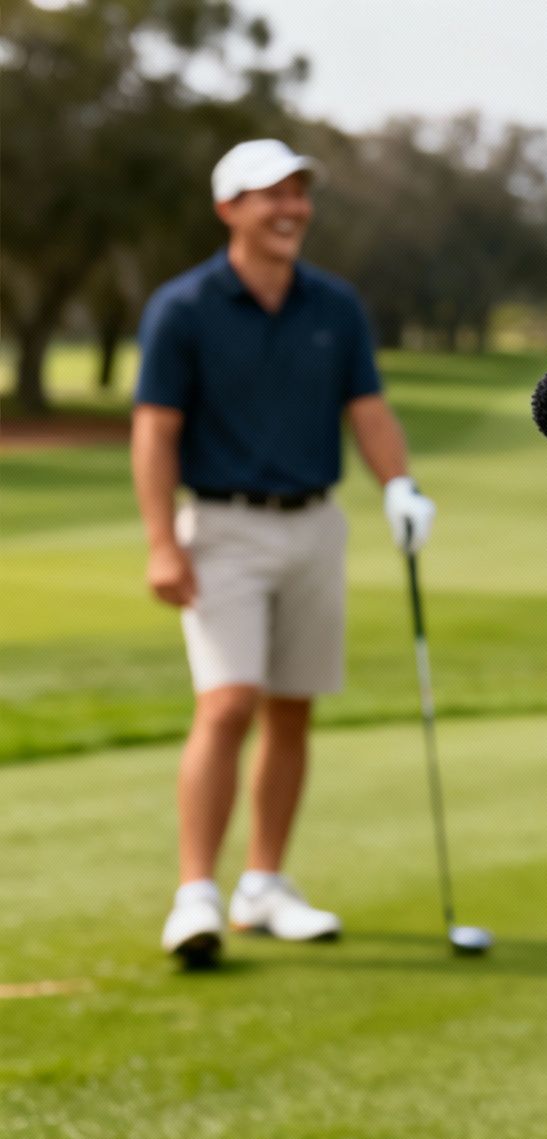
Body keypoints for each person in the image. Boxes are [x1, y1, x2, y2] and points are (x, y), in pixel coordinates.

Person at [132, 140, 437, 966]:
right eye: (271, 195)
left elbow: (367, 409)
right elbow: (155, 432)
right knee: (228, 703)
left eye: (299, 193)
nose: (291, 208)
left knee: (293, 706)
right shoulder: (184, 307)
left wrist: (397, 486)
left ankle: (263, 885)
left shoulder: (333, 306)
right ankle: (195, 893)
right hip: (222, 528)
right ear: (228, 207)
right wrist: (162, 544)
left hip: (314, 525)